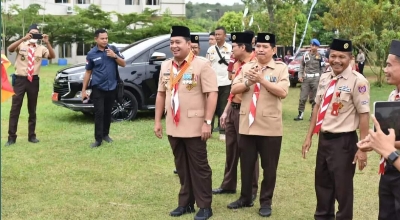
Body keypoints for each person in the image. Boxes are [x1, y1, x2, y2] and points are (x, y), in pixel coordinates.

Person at [154, 25, 218, 220]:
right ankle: (186, 203)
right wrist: (157, 121)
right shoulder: (166, 66)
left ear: (189, 44)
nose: (174, 46)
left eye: (178, 42)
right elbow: (160, 94)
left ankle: (205, 206)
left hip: (195, 126)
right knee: (181, 166)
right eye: (171, 42)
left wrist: (207, 122)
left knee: (199, 167)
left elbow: (212, 94)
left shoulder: (201, 65)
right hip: (174, 125)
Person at [301, 38, 370, 220]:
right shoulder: (325, 77)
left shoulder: (358, 81)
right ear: (328, 56)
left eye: (342, 57)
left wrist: (362, 148)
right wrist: (309, 136)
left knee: (343, 189)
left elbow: (364, 115)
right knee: (322, 185)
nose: (336, 60)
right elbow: (317, 107)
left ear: (350, 58)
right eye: (333, 56)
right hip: (324, 140)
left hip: (344, 143)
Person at [227, 32, 289, 218]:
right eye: (258, 46)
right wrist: (248, 81)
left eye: (265, 47)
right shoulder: (247, 67)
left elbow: (283, 92)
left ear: (273, 50)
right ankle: (245, 197)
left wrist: (261, 80)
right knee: (246, 164)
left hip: (270, 126)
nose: (261, 50)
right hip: (247, 124)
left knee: (269, 168)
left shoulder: (280, 68)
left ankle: (265, 202)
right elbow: (234, 88)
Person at [212, 32, 259, 201]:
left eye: (234, 47)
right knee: (231, 149)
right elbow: (233, 91)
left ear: (243, 47)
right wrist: (226, 111)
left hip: (246, 112)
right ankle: (228, 185)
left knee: (249, 152)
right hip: (233, 109)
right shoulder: (238, 64)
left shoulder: (255, 64)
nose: (231, 50)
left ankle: (251, 189)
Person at [358, 39, 400, 219]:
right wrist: (376, 143)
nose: (385, 69)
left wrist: (386, 146)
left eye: (389, 65)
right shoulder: (393, 96)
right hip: (389, 167)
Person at [5, 24, 56, 146]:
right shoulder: (21, 45)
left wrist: (47, 43)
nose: (34, 35)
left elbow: (52, 56)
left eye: (36, 33)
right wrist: (23, 38)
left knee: (32, 109)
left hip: (33, 80)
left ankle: (32, 136)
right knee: (15, 109)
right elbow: (10, 49)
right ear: (28, 34)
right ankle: (11, 137)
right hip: (20, 80)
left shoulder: (41, 48)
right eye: (32, 33)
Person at [81, 29, 126, 148]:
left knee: (107, 113)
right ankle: (98, 139)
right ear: (96, 39)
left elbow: (123, 63)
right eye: (102, 38)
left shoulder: (113, 49)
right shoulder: (91, 54)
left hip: (112, 87)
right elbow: (88, 72)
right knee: (99, 113)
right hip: (98, 88)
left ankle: (106, 135)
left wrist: (114, 56)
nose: (105, 40)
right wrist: (84, 90)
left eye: (106, 38)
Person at [206, 26, 232, 139]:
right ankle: (209, 130)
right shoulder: (210, 50)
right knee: (210, 107)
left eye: (219, 34)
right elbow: (207, 66)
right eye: (215, 34)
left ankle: (223, 132)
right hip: (212, 83)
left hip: (226, 82)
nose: (217, 36)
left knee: (222, 108)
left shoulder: (230, 49)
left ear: (225, 36)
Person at [294, 39, 324, 121]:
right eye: (312, 45)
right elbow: (301, 67)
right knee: (303, 97)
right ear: (310, 45)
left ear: (318, 47)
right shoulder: (305, 55)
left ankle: (313, 115)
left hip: (316, 78)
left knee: (314, 99)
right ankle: (300, 115)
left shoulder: (320, 56)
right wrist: (300, 75)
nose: (314, 47)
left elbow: (322, 68)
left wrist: (321, 78)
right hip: (306, 78)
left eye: (316, 46)